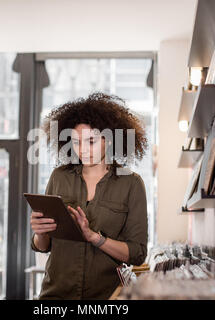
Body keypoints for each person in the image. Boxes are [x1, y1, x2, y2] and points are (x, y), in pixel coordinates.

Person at [30, 92, 148, 299]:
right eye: (76, 142)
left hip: (106, 297)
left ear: (109, 140)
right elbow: (43, 246)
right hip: (56, 295)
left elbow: (137, 255)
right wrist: (40, 232)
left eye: (91, 141)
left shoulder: (131, 183)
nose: (82, 150)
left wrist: (94, 237)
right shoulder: (59, 177)